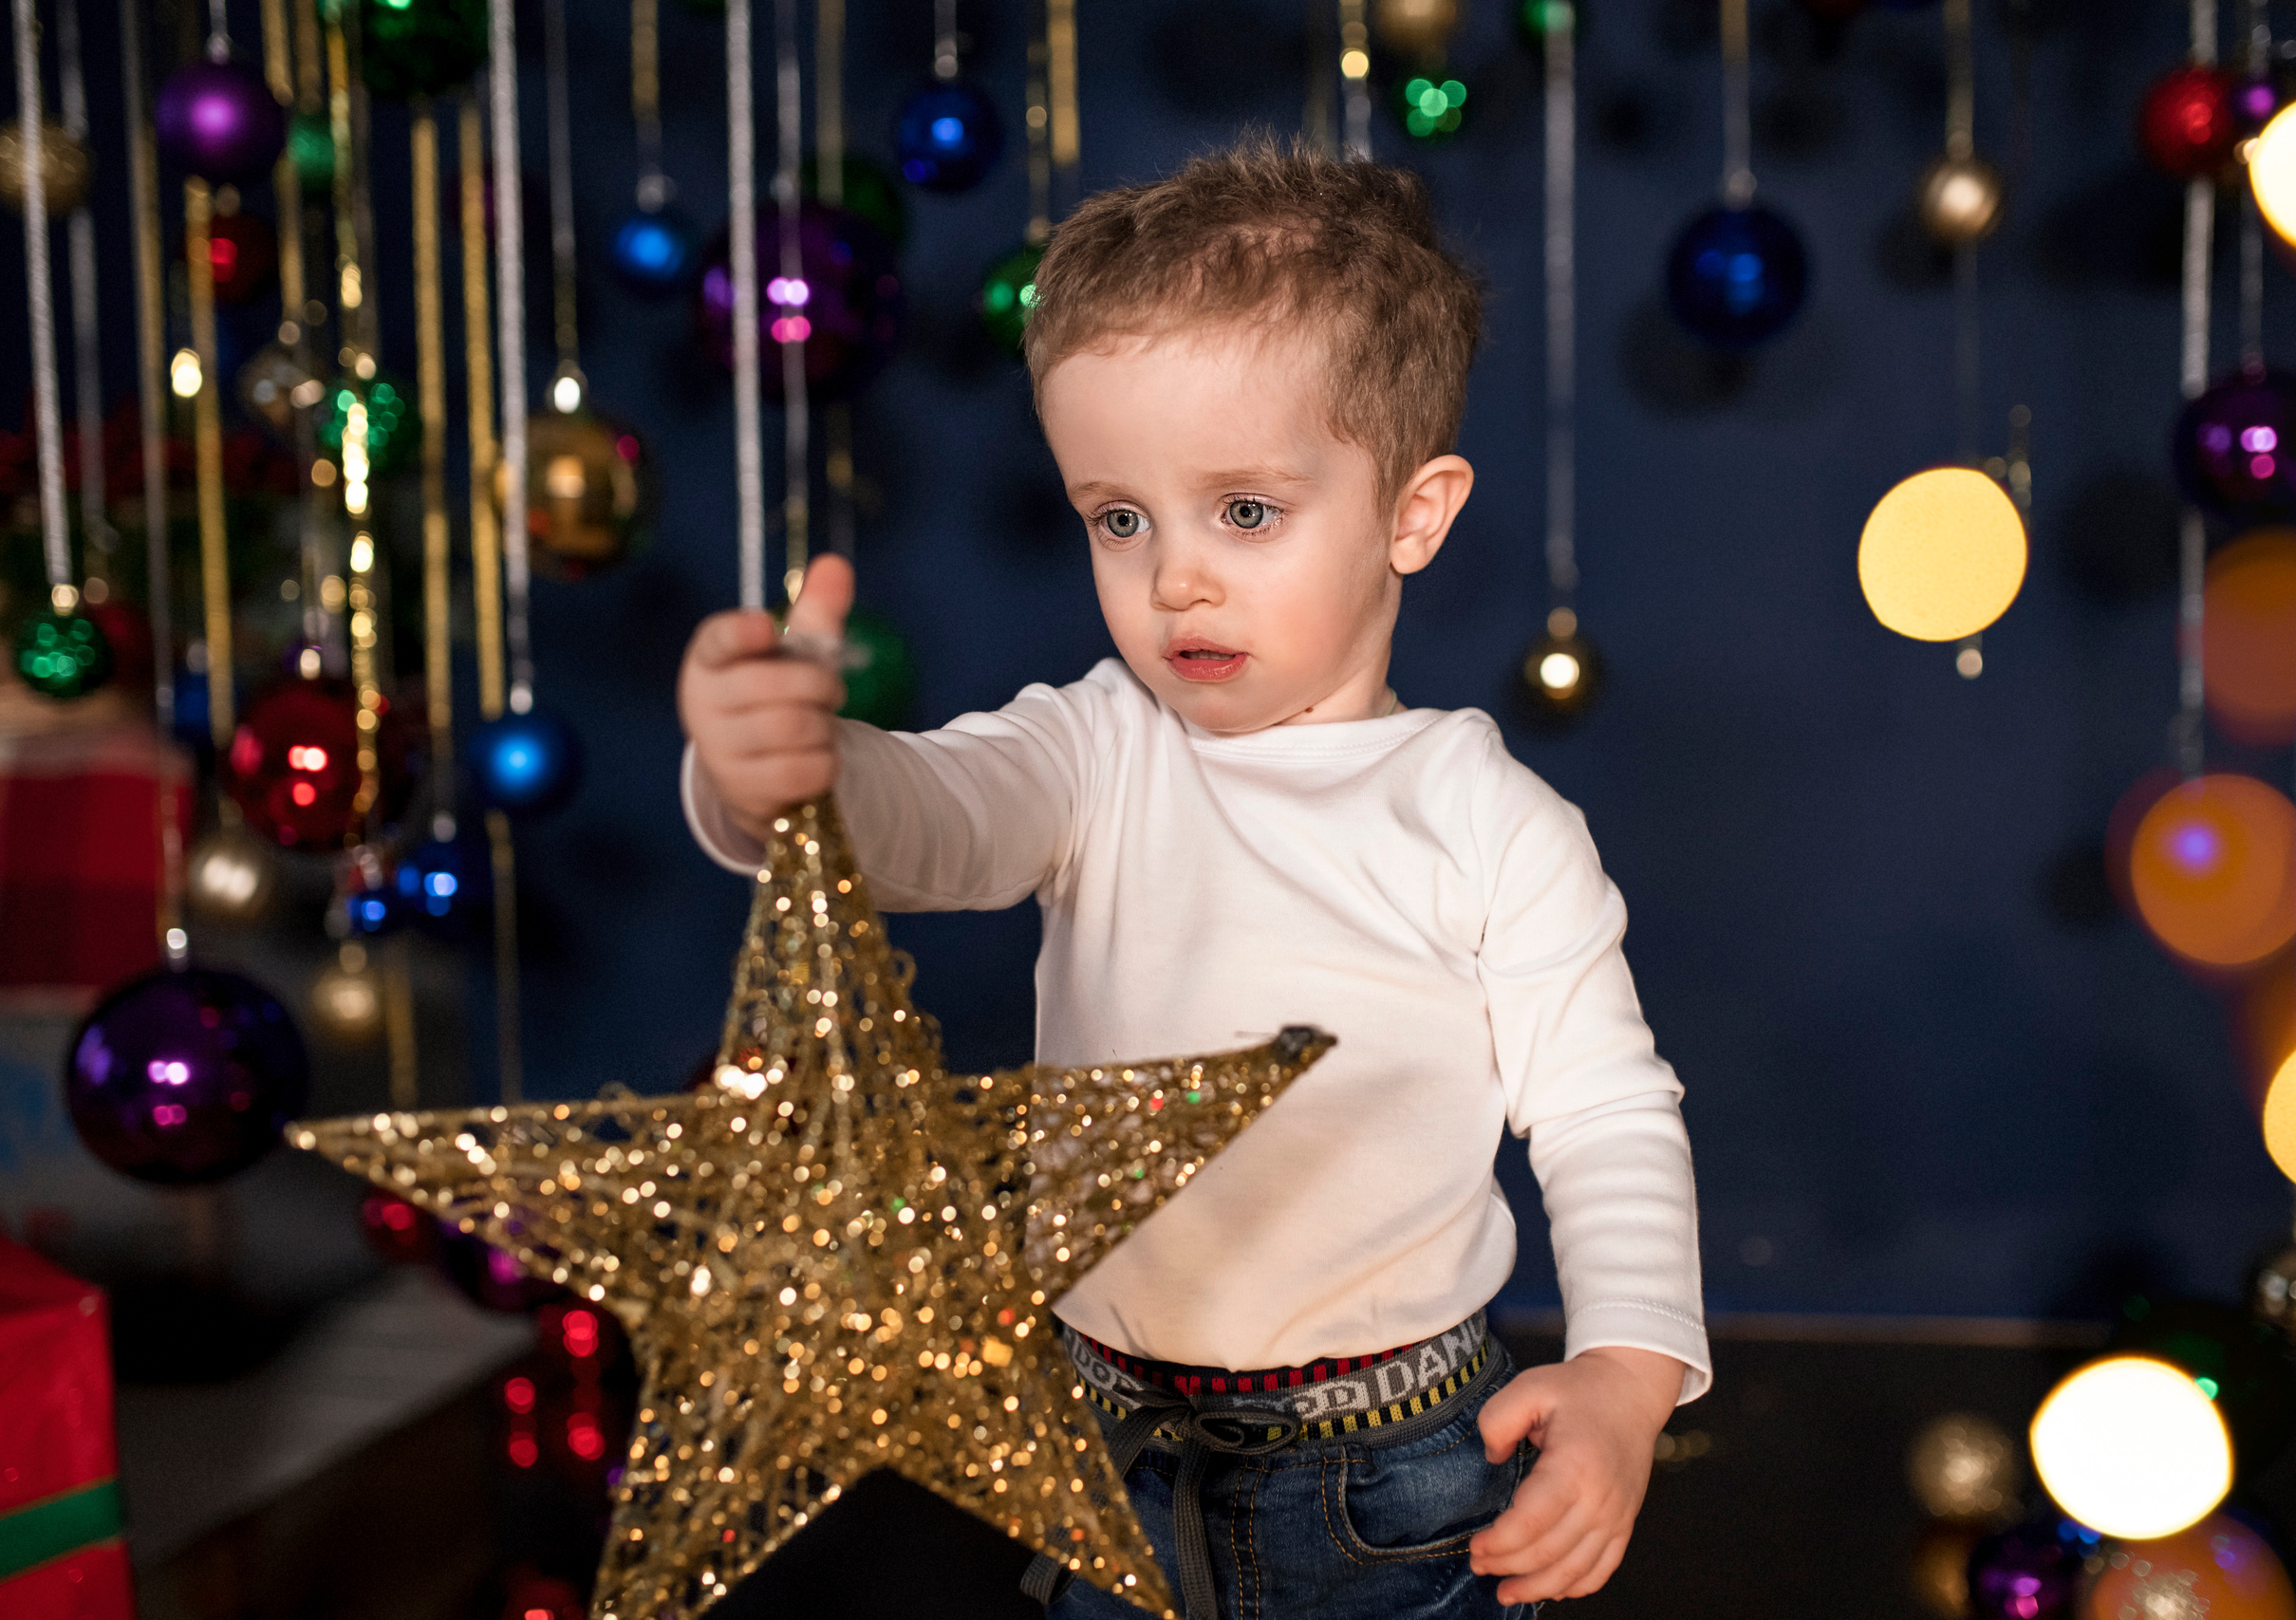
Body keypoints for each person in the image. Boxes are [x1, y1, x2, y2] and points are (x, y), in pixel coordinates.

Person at [676, 140, 1706, 1620]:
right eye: (1120, 517)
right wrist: (780, 771)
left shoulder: (1484, 820)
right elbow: (926, 818)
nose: (1174, 581)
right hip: (1105, 1443)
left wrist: (1624, 1377)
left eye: (1245, 512)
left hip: (1388, 1474)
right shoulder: (1094, 751)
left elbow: (1608, 1115)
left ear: (1412, 514)